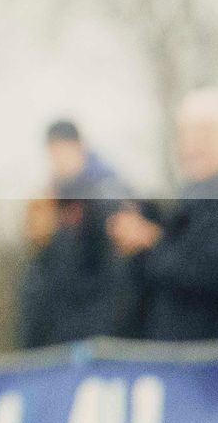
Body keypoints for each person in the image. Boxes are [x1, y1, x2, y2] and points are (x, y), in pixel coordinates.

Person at [107, 88, 218, 340]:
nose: (193, 143)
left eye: (205, 132)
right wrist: (135, 248)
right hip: (170, 365)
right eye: (185, 133)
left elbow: (207, 270)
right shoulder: (182, 207)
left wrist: (151, 242)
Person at [18, 119, 134, 348]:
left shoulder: (107, 194)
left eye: (63, 150)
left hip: (101, 338)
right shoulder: (50, 200)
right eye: (53, 152)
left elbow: (118, 274)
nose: (58, 160)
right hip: (59, 338)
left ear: (79, 147)